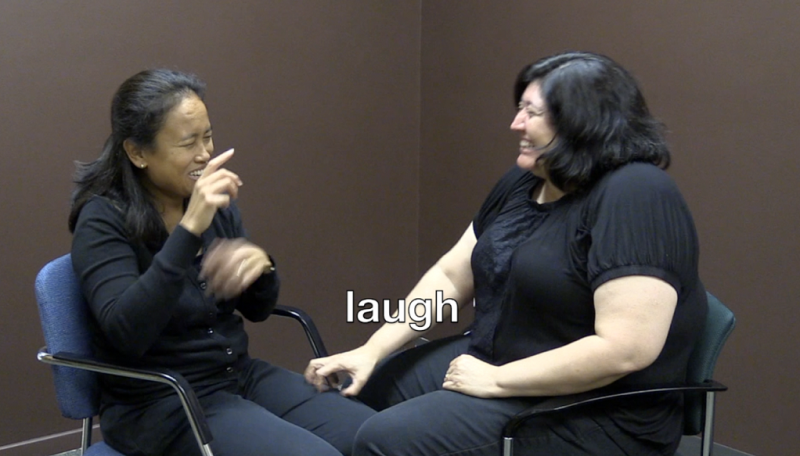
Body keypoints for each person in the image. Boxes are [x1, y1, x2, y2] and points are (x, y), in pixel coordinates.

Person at [305, 51, 708, 456]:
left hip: (596, 410)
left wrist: (497, 381)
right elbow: (451, 276)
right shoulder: (527, 178)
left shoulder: (637, 193)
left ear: (581, 123)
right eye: (520, 109)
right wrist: (372, 348)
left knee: (386, 439)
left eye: (531, 112)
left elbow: (626, 349)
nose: (516, 123)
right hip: (499, 358)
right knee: (364, 393)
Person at [69, 69, 375, 456]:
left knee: (373, 434)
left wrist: (260, 267)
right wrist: (189, 230)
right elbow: (127, 334)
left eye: (208, 136)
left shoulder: (212, 205)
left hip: (236, 377)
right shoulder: (102, 218)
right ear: (137, 152)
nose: (205, 153)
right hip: (161, 402)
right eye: (187, 143)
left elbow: (258, 310)